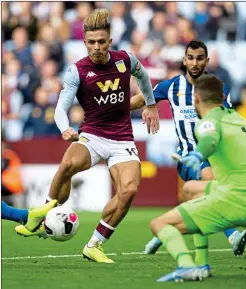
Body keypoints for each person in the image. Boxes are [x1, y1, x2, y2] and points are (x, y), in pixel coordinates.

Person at [15, 8, 159, 263]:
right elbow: (61, 107)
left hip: (122, 139)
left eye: (101, 42)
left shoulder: (124, 60)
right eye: (91, 42)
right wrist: (64, 128)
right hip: (92, 135)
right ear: (84, 42)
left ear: (110, 41)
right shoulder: (77, 71)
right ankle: (43, 212)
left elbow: (144, 76)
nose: (96, 47)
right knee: (68, 164)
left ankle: (95, 245)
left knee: (129, 190)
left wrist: (150, 103)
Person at [130, 40, 246, 256]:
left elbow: (229, 121)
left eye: (199, 58)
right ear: (184, 60)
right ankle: (232, 236)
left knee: (198, 200)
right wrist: (138, 106)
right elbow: (141, 99)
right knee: (211, 184)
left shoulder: (219, 88)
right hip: (188, 156)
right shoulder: (172, 86)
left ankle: (163, 230)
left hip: (217, 155)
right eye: (190, 58)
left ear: (207, 61)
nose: (194, 63)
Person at [149, 74, 246, 282]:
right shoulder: (239, 119)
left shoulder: (206, 123)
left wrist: (198, 154)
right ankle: (203, 263)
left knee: (159, 224)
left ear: (197, 98)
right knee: (191, 189)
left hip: (239, 201)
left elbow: (209, 139)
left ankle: (187, 266)